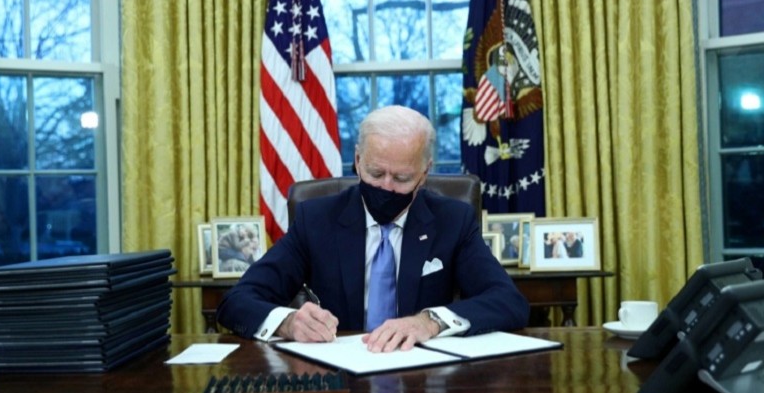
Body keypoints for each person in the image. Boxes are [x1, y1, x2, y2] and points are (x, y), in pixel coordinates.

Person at [216, 105, 530, 352]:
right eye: (376, 172)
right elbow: (237, 301)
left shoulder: (453, 221)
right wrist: (287, 322)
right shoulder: (317, 220)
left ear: (425, 173)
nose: (386, 187)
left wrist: (431, 321)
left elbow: (508, 301)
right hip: (340, 380)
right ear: (357, 160)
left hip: (424, 380)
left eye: (402, 178)